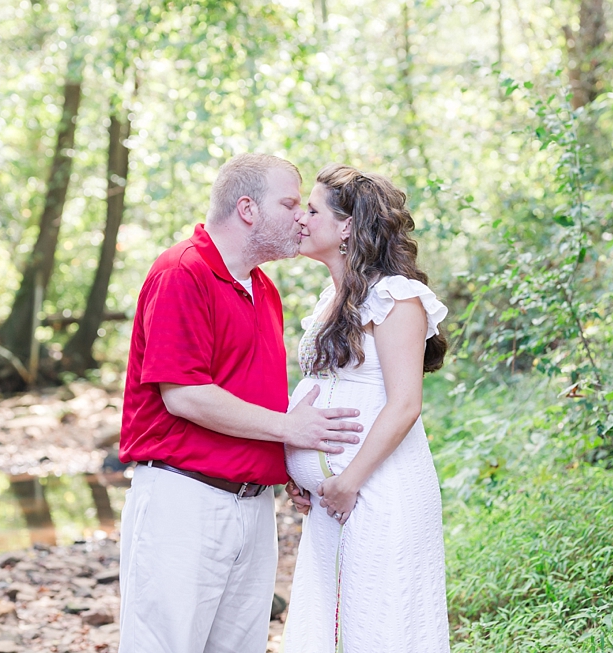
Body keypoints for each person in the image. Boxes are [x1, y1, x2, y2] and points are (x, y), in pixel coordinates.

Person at [116, 153, 364, 653]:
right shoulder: (181, 272)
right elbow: (185, 395)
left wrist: (289, 465)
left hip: (254, 508)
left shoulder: (264, 290)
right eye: (290, 202)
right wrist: (290, 430)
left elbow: (257, 399)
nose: (302, 216)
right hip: (183, 501)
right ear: (248, 209)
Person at [282, 164, 451, 652]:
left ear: (348, 226)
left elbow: (405, 404)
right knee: (332, 627)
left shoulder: (397, 297)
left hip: (377, 490)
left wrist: (346, 479)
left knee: (382, 625)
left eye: (312, 210)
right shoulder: (328, 300)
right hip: (332, 501)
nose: (301, 219)